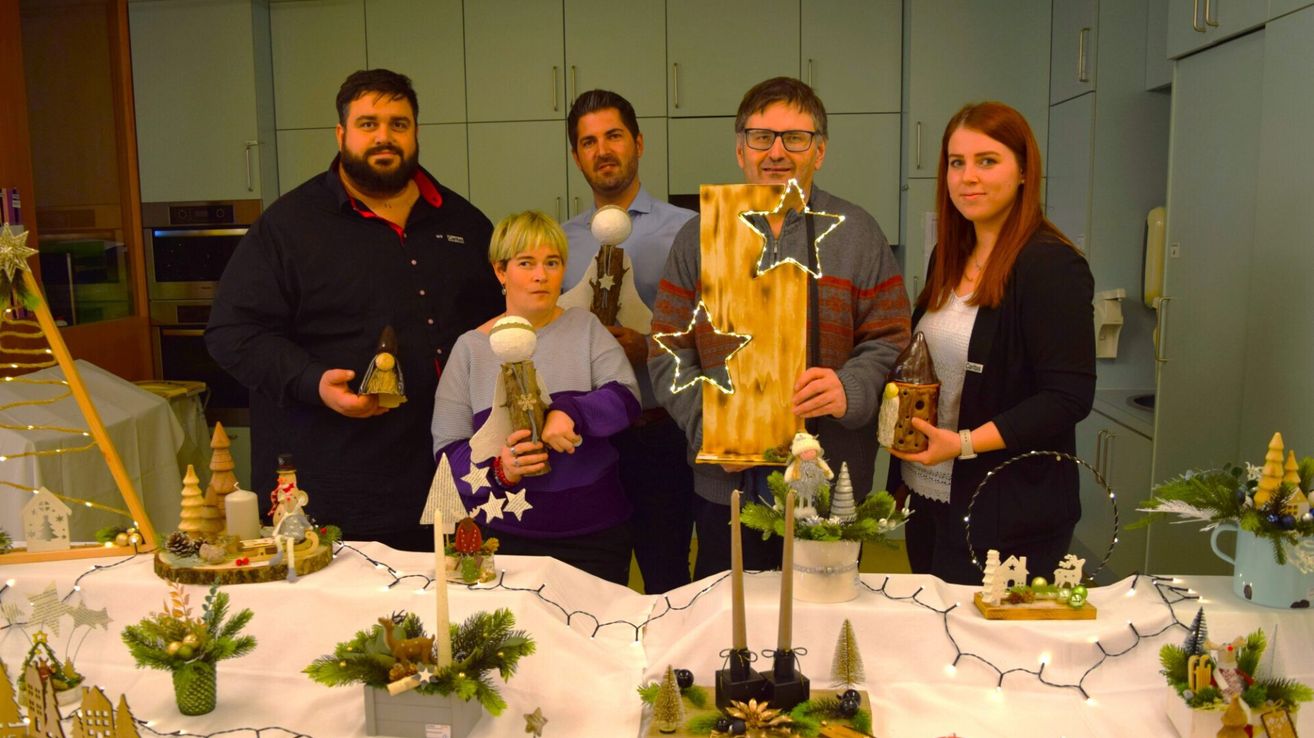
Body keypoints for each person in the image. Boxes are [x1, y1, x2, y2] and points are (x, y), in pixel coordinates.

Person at [206, 69, 503, 551]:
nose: (384, 137)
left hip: (452, 481)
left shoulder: (465, 223)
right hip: (335, 492)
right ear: (341, 134)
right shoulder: (288, 227)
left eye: (398, 124)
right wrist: (313, 381)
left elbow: (498, 329)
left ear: (416, 133)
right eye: (368, 124)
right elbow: (232, 332)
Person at [649, 77, 912, 579]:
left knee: (827, 615)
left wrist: (850, 387)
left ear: (820, 151)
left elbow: (890, 336)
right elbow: (667, 349)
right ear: (740, 149)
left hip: (831, 484)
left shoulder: (857, 233)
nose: (776, 151)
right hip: (727, 486)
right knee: (730, 617)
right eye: (761, 137)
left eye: (795, 137)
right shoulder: (698, 236)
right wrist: (711, 431)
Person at [887, 101, 1096, 585]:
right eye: (956, 162)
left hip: (1006, 511)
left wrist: (962, 444)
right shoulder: (950, 255)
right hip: (929, 495)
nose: (968, 177)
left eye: (987, 161)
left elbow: (1068, 397)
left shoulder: (1050, 265)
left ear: (1023, 171)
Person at [432, 211, 640, 585]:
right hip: (503, 537)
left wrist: (570, 411)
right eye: (526, 263)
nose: (541, 275)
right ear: (500, 271)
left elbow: (626, 400)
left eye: (552, 263)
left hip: (594, 533)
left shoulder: (586, 328)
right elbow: (447, 450)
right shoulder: (470, 349)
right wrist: (501, 470)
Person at [562, 89, 697, 593]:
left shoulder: (688, 232)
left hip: (661, 432)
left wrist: (650, 347)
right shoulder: (560, 243)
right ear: (576, 156)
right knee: (594, 581)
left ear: (638, 143)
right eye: (588, 142)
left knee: (668, 579)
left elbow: (717, 330)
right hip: (588, 441)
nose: (603, 151)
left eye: (614, 136)